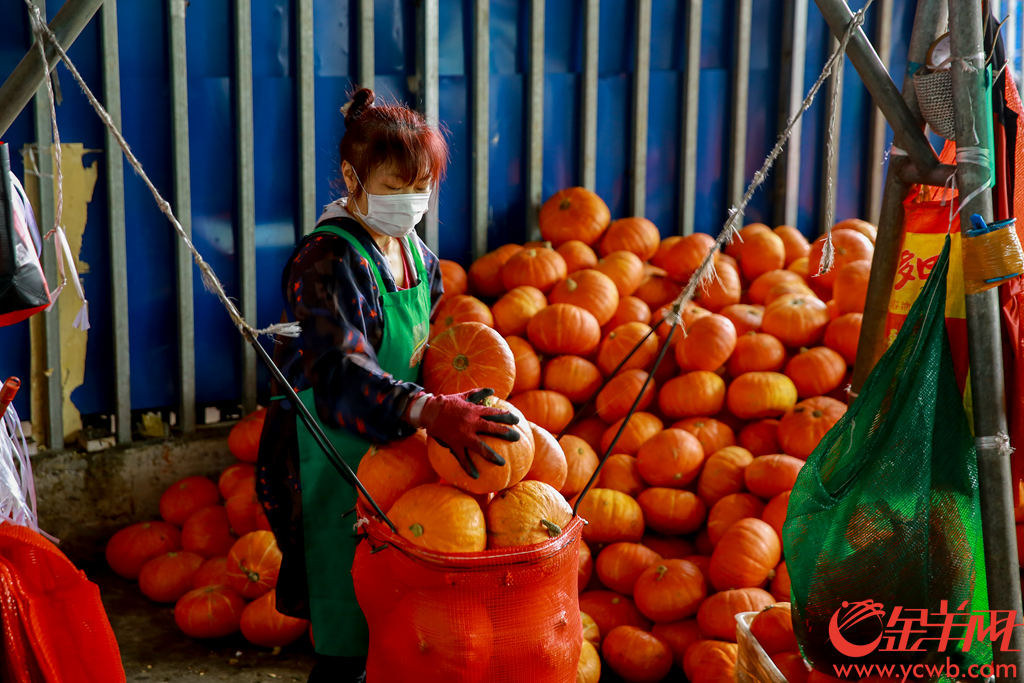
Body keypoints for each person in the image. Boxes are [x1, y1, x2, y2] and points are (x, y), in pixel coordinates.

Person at [255, 88, 520, 682]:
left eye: (421, 187)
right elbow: (340, 371)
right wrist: (430, 412)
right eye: (395, 187)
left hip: (395, 447)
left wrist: (468, 393)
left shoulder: (417, 257)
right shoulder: (326, 259)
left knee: (402, 629)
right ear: (353, 176)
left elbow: (427, 353)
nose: (411, 202)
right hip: (327, 453)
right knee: (348, 633)